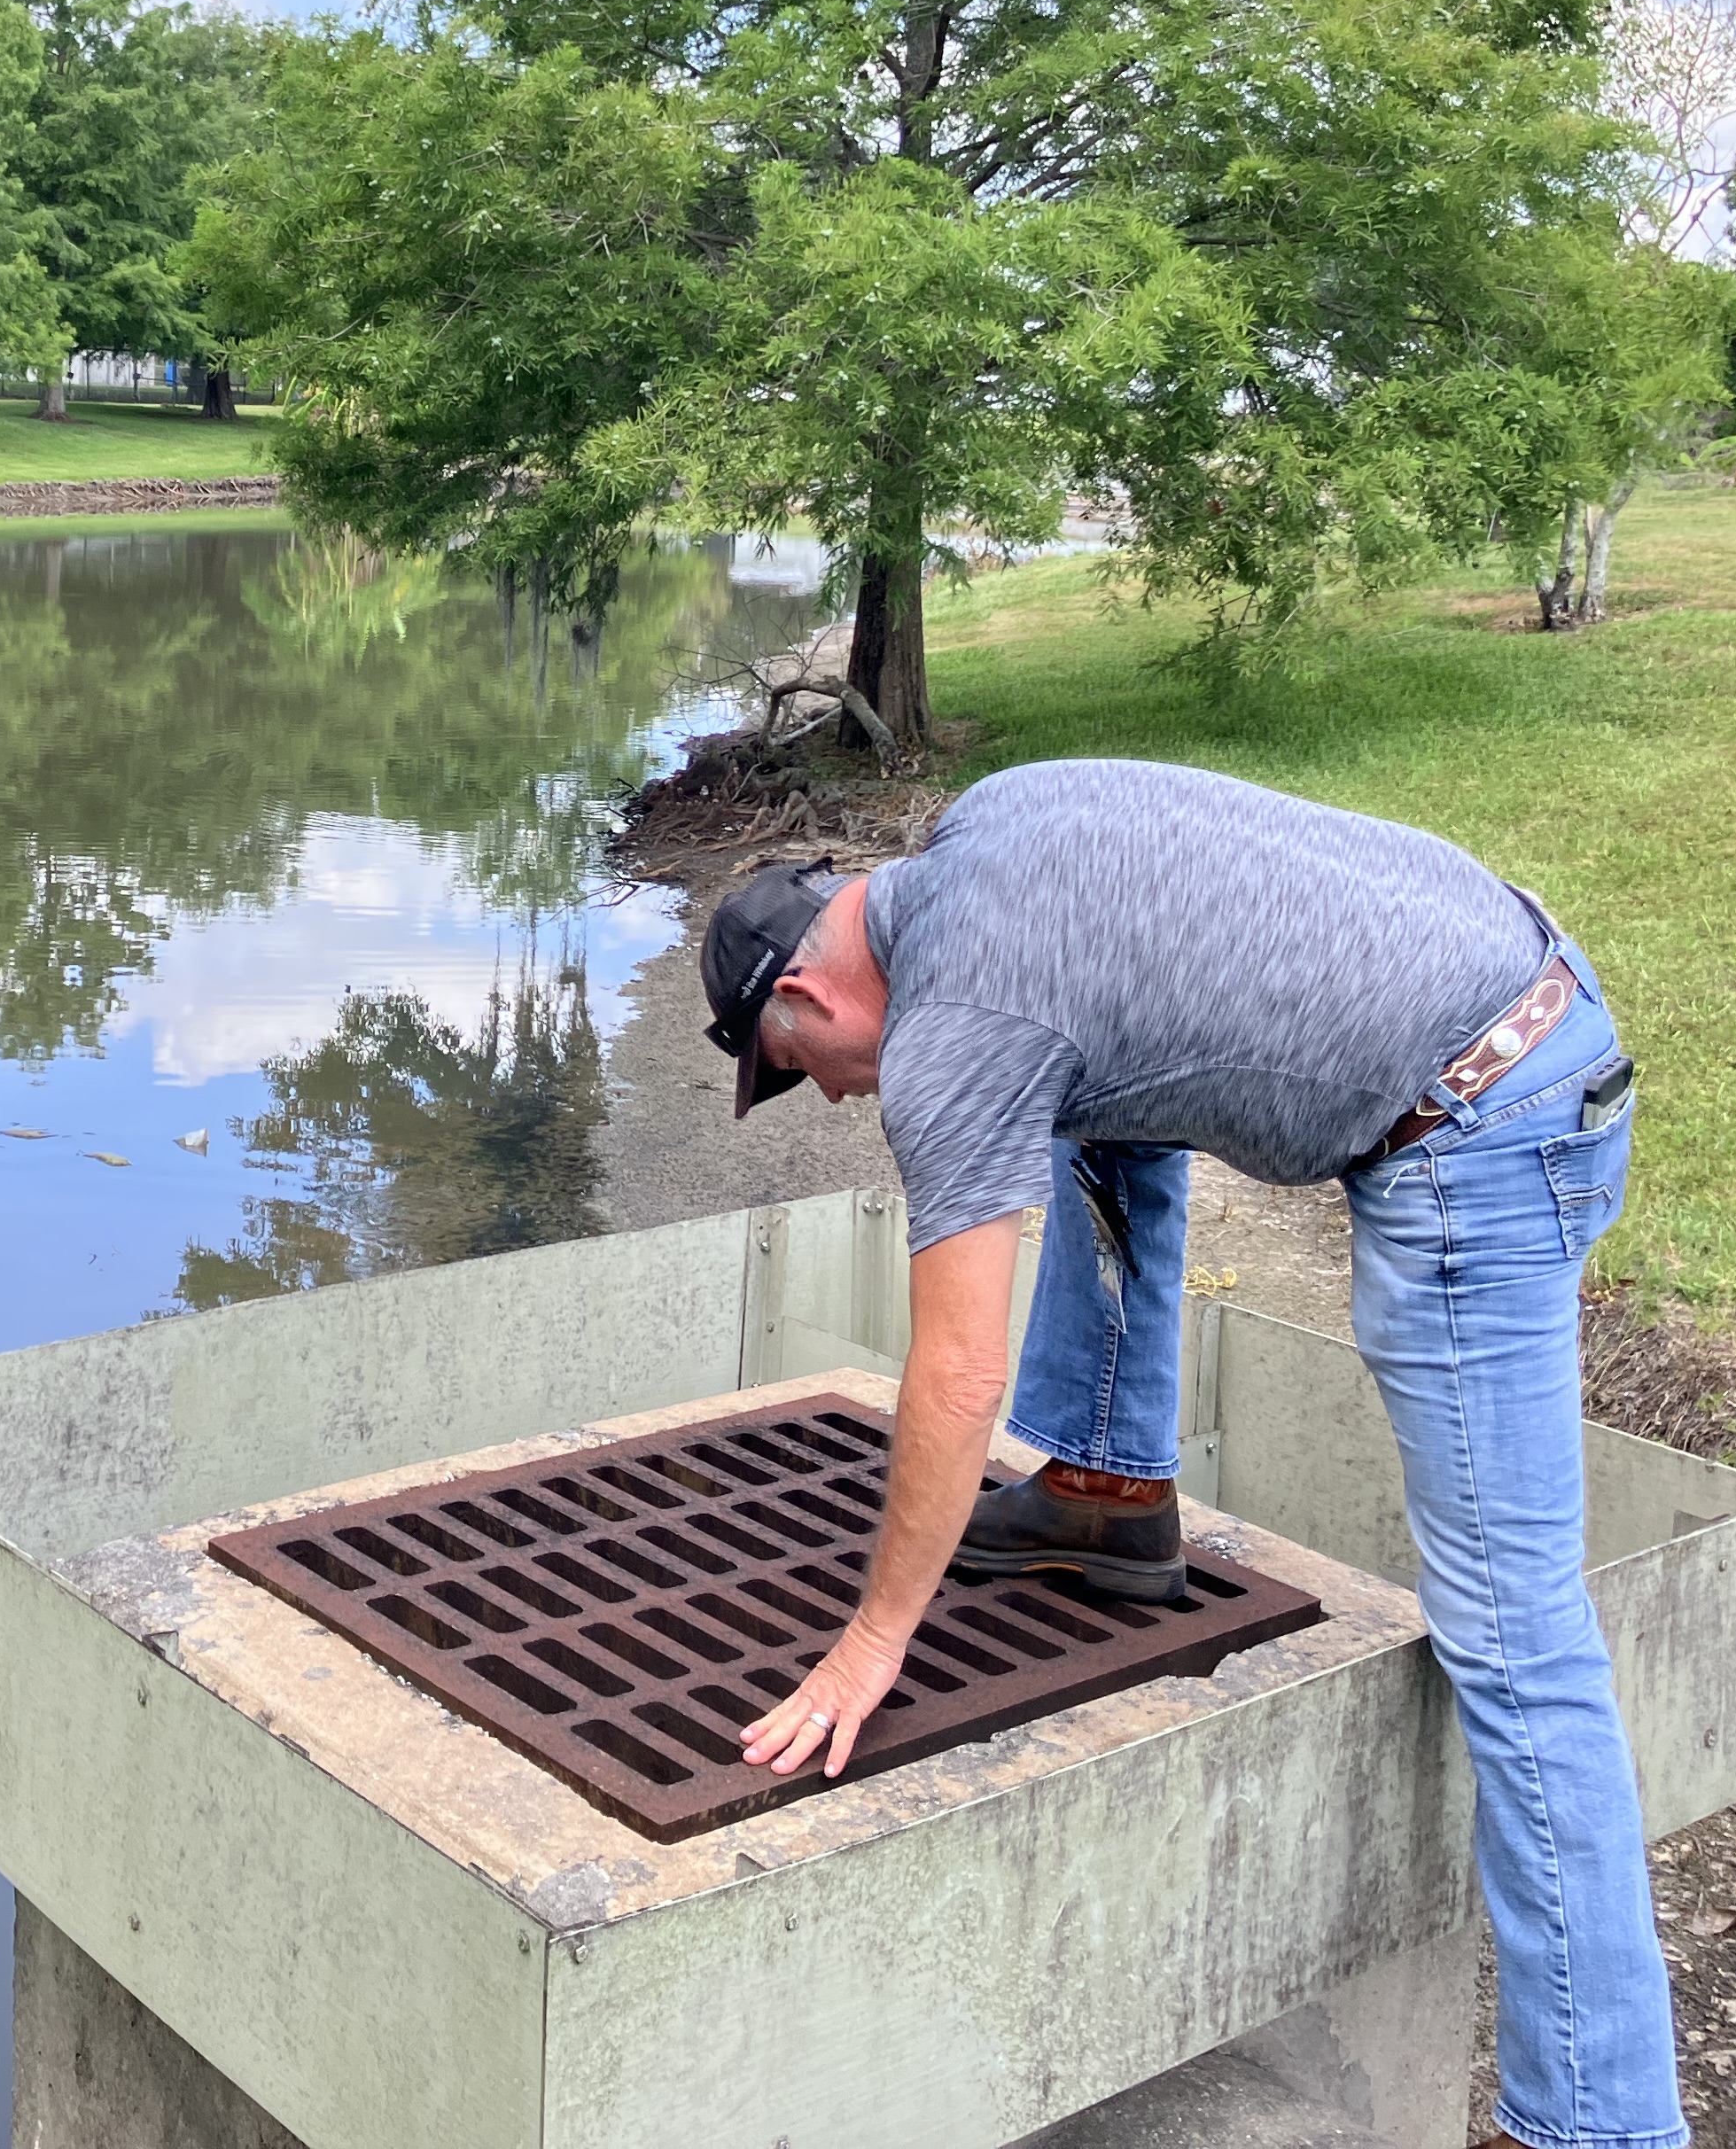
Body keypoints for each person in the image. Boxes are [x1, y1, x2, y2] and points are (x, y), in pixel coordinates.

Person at [701, 758, 1676, 2149]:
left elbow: (956, 1367)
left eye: (808, 1076)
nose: (845, 1101)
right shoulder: (985, 834)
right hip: (1508, 983)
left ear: (804, 996)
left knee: (1519, 1640)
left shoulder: (957, 1025)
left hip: (1484, 1122)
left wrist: (872, 1642)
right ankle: (1108, 1488)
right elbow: (1125, 1005)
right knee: (1092, 1094)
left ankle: (1600, 2122)